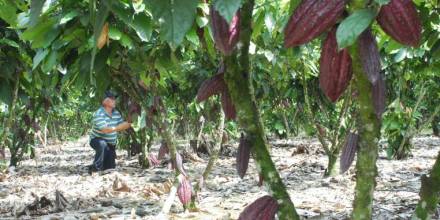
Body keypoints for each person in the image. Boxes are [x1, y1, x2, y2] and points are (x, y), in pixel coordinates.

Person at [88, 91, 131, 173]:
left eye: (115, 99)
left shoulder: (116, 113)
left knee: (109, 168)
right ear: (105, 101)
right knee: (102, 144)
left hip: (110, 145)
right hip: (96, 140)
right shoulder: (99, 114)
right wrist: (119, 127)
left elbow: (122, 125)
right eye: (112, 99)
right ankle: (95, 170)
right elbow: (105, 130)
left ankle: (95, 166)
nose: (115, 101)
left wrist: (130, 122)